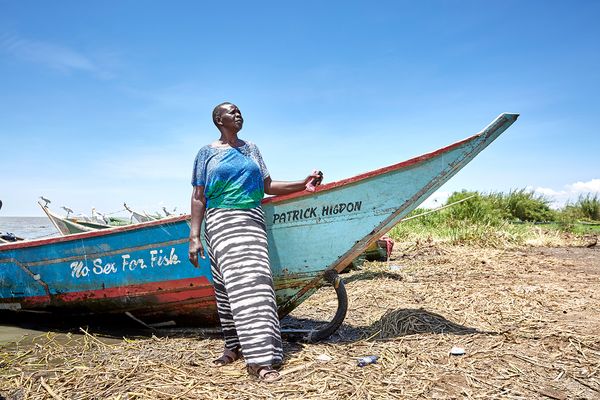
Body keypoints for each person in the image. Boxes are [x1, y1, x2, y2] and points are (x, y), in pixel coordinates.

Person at [188, 102, 322, 382]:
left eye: (239, 110)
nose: (238, 114)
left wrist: (303, 183)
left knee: (255, 287)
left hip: (251, 219)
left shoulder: (251, 149)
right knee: (229, 288)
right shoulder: (206, 153)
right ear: (218, 119)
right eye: (231, 111)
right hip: (221, 221)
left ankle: (261, 361)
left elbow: (267, 186)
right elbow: (199, 196)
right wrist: (194, 237)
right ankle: (233, 345)